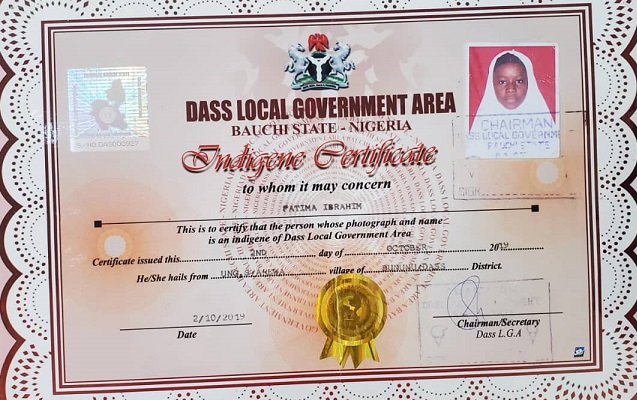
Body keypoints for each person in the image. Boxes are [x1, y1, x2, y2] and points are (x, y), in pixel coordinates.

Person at [467, 49, 558, 159]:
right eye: (502, 82)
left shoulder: (545, 129)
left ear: (530, 83)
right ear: (492, 85)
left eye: (519, 81)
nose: (511, 89)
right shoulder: (480, 132)